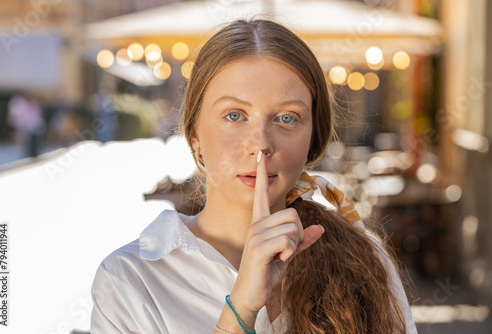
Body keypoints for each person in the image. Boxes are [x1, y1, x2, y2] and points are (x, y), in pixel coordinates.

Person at [90, 19, 417, 333]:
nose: (261, 143)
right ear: (194, 136)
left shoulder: (365, 261)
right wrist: (241, 311)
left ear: (312, 140)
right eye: (235, 115)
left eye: (287, 117)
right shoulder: (131, 280)